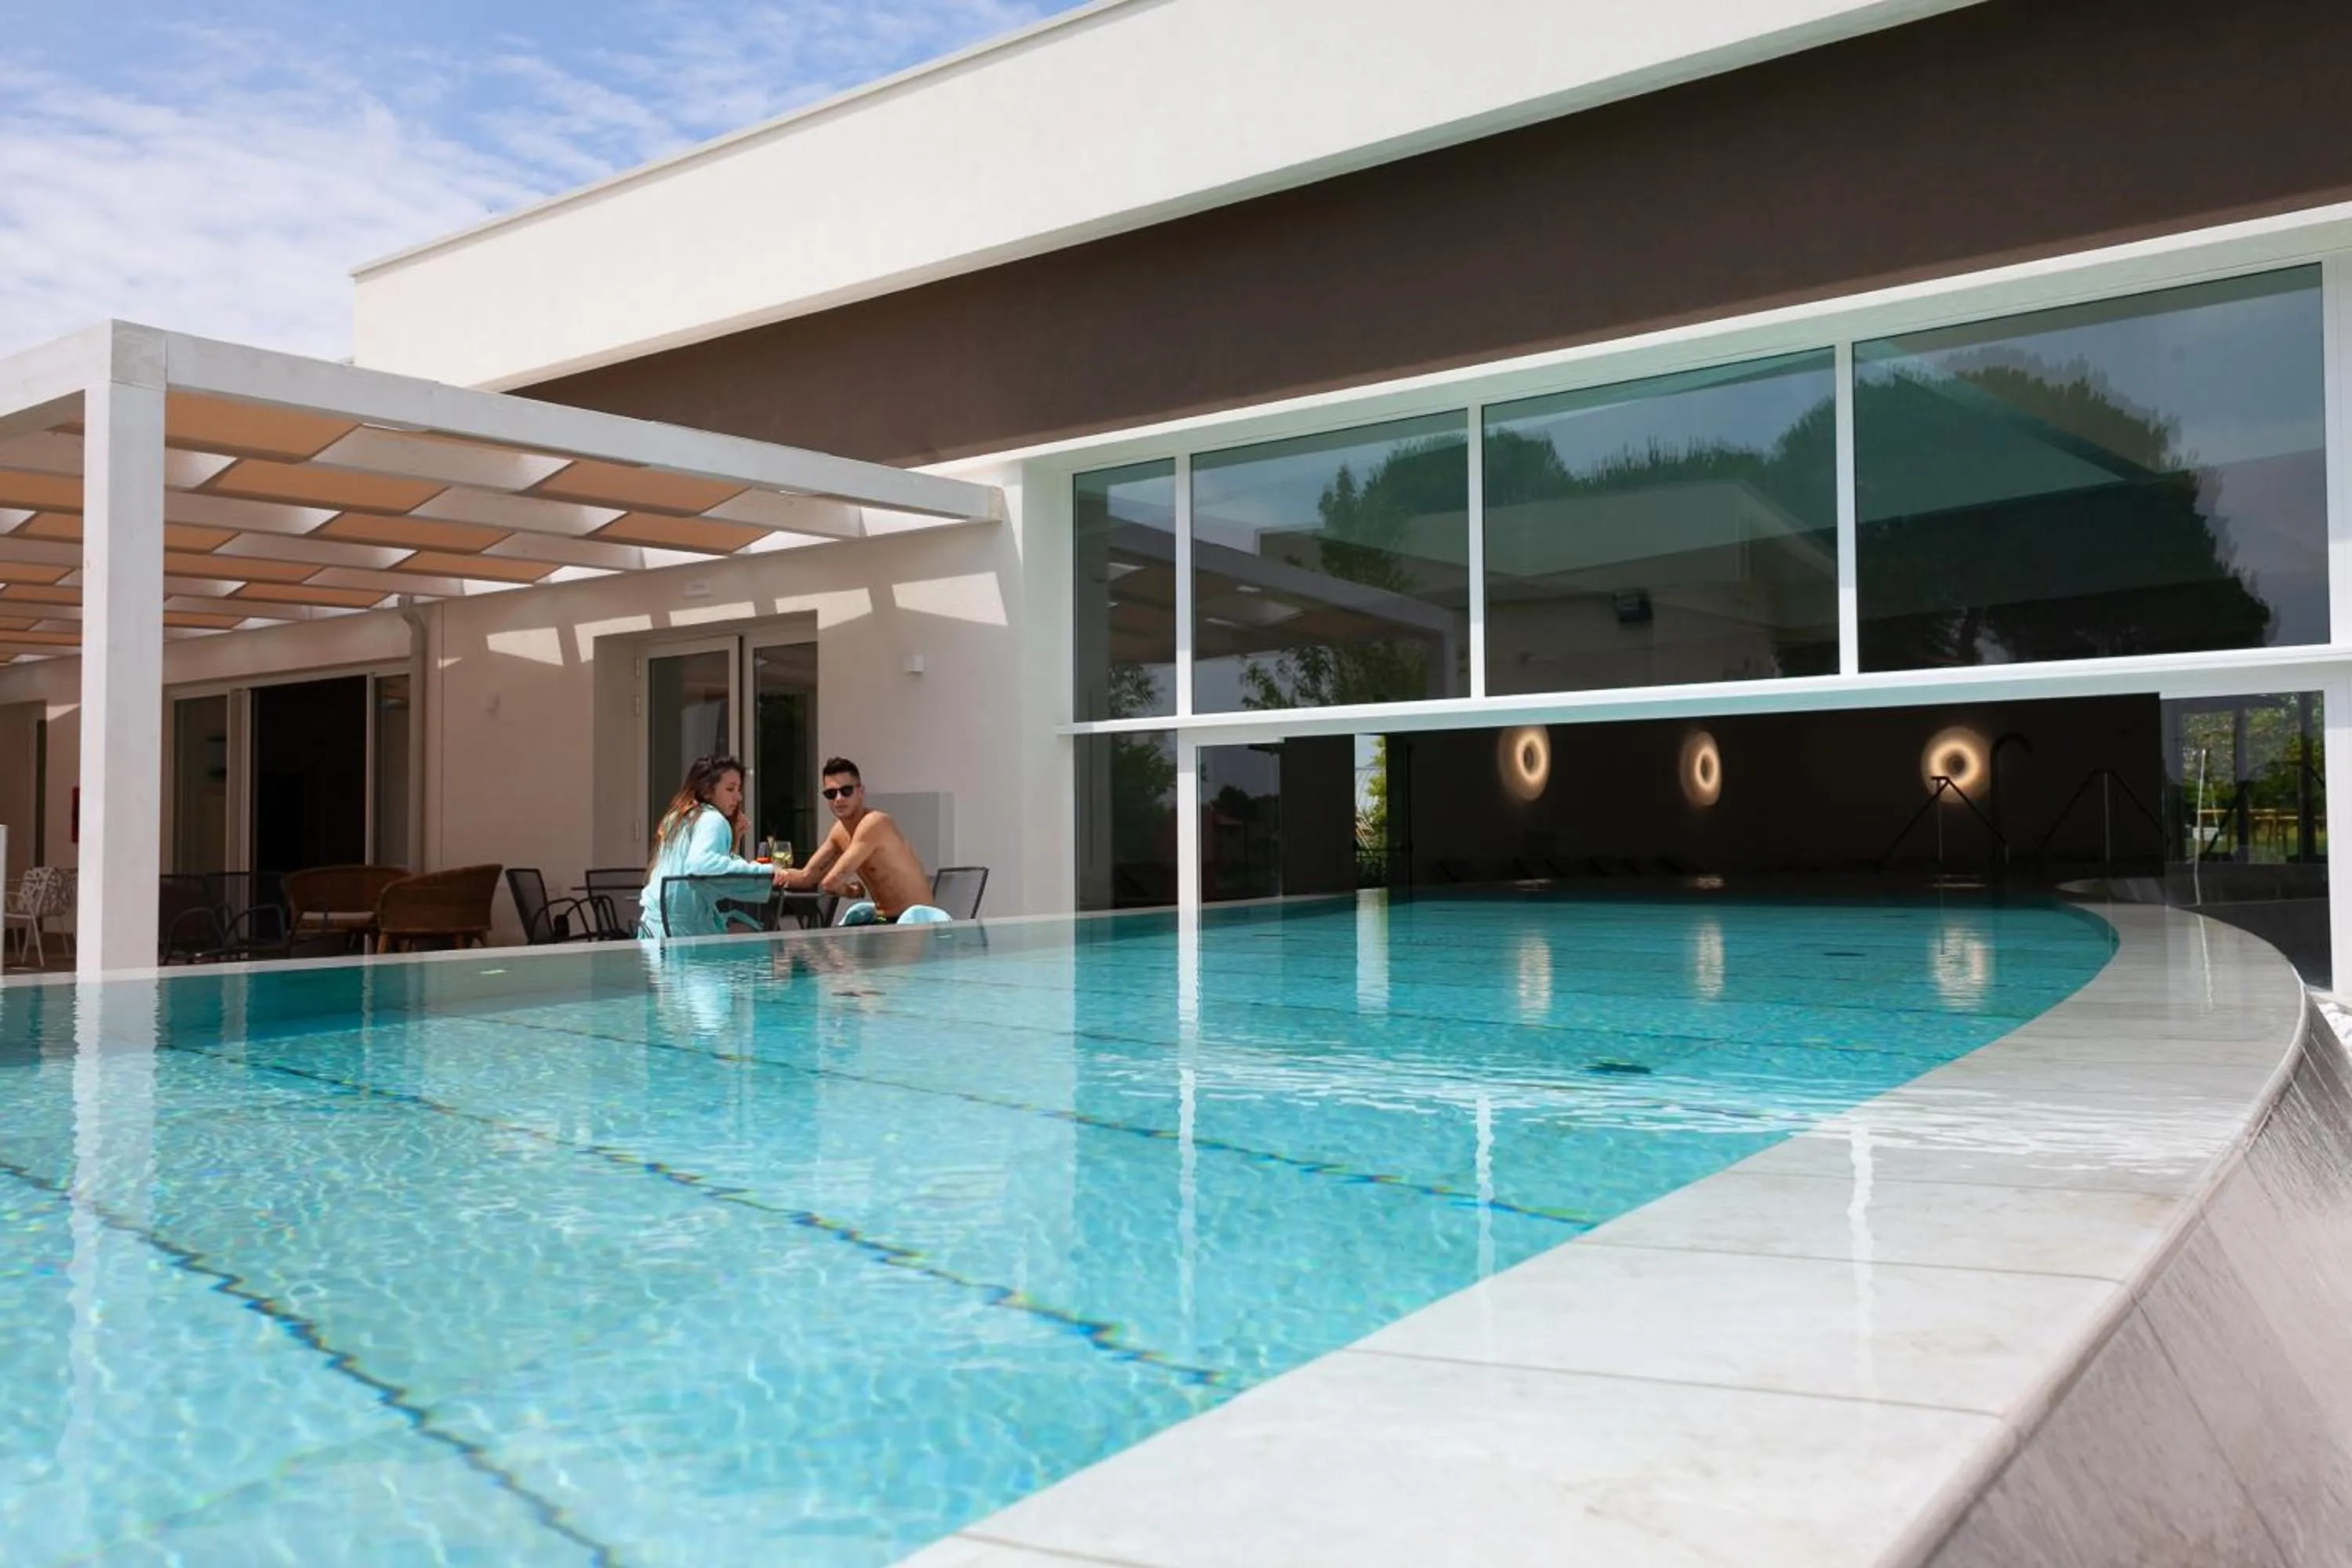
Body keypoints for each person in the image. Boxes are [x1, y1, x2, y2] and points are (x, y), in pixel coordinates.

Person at [780, 757, 952, 924]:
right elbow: (806, 876)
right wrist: (770, 872)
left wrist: (850, 891)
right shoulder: (839, 831)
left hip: (915, 922)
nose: (838, 799)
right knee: (838, 943)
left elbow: (831, 882)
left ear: (861, 791)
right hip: (884, 920)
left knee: (844, 944)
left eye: (846, 791)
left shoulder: (874, 823)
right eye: (831, 794)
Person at [638, 755, 789, 938]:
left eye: (739, 789)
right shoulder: (713, 819)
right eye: (730, 789)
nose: (738, 797)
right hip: (685, 937)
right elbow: (701, 865)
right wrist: (766, 872)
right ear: (707, 791)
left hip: (653, 929)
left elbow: (700, 866)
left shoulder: (678, 818)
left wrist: (735, 839)